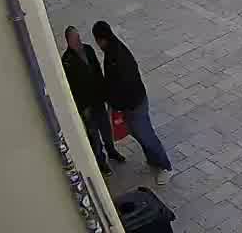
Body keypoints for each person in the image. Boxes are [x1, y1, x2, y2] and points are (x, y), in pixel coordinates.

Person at [92, 20, 172, 185]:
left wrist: (115, 103)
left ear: (101, 39)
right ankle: (153, 161)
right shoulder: (112, 51)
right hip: (130, 104)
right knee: (138, 133)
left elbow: (123, 84)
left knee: (146, 135)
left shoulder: (117, 55)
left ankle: (165, 166)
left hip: (134, 104)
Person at [61, 25, 121, 172]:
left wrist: (105, 94)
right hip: (87, 105)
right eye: (74, 38)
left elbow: (98, 72)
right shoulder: (67, 61)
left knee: (106, 129)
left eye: (78, 37)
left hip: (98, 99)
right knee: (94, 135)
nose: (77, 40)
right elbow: (72, 88)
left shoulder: (88, 49)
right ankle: (101, 161)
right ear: (68, 41)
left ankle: (112, 151)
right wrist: (82, 108)